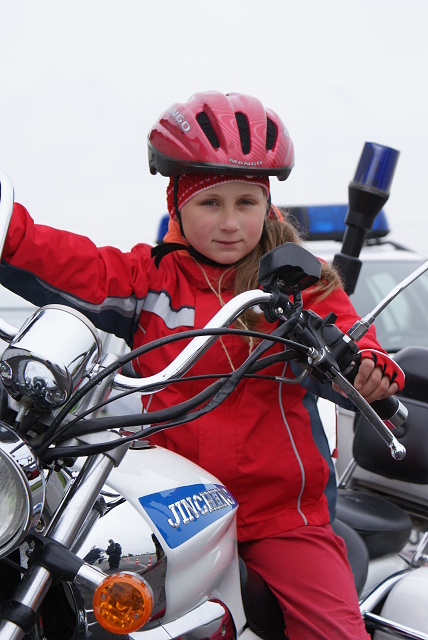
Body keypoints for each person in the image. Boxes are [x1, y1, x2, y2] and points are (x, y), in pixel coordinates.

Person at [0, 91, 404, 639]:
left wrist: (369, 370)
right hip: (171, 508)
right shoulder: (147, 279)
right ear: (177, 204)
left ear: (267, 205)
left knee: (335, 632)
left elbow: (357, 343)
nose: (231, 222)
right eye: (211, 203)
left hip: (281, 518)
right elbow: (62, 259)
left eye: (246, 202)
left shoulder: (301, 286)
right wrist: (7, 228)